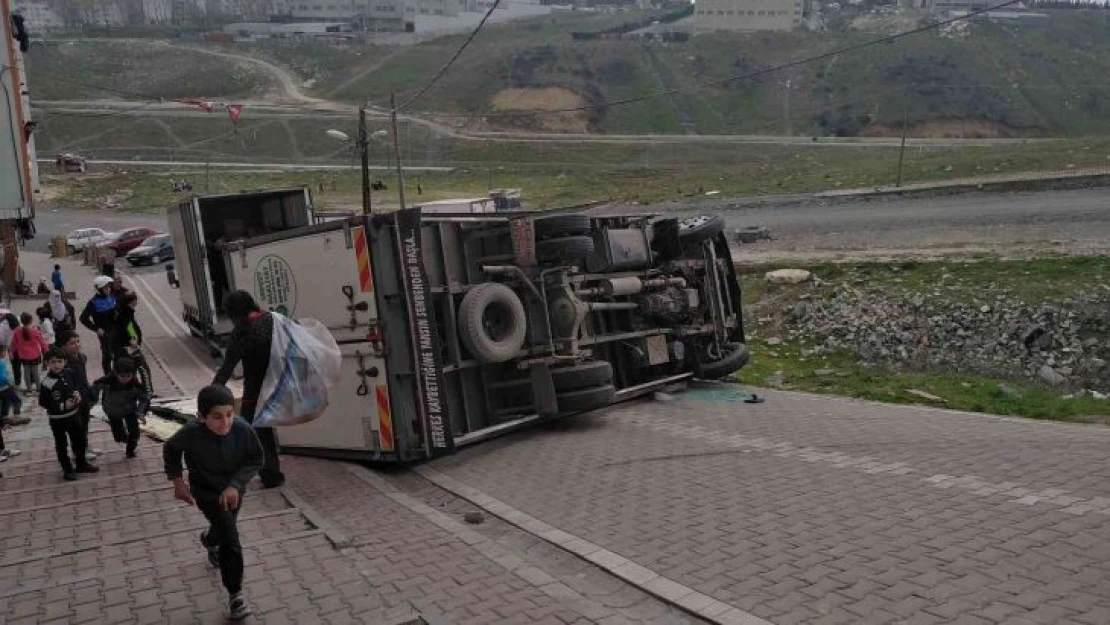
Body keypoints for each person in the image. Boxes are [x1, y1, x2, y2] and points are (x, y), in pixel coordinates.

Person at [163, 384, 261, 621]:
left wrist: (235, 485)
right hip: (206, 492)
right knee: (231, 540)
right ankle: (235, 595)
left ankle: (209, 539)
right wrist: (178, 482)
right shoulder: (190, 433)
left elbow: (255, 458)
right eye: (216, 417)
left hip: (233, 492)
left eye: (229, 414)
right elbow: (171, 449)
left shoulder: (242, 429)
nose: (225, 422)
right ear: (201, 416)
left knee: (224, 529)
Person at [213, 291, 285, 489]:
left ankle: (268, 472)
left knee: (254, 430)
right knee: (263, 429)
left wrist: (211, 394)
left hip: (256, 389)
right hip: (280, 384)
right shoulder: (272, 319)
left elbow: (228, 366)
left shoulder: (242, 331)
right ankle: (271, 472)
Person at [40, 346, 98, 481]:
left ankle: (81, 463)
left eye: (59, 361)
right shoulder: (46, 382)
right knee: (61, 444)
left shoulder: (69, 373)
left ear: (64, 362)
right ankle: (67, 469)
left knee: (80, 440)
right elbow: (43, 402)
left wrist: (76, 395)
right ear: (47, 363)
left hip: (73, 414)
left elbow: (74, 387)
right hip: (57, 419)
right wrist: (63, 405)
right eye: (53, 362)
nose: (56, 365)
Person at [93, 357, 149, 459]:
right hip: (113, 409)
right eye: (122, 376)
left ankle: (130, 450)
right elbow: (95, 386)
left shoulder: (135, 384)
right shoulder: (108, 380)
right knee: (119, 435)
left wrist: (141, 412)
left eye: (129, 376)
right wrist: (93, 397)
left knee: (134, 431)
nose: (126, 379)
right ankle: (122, 438)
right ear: (116, 373)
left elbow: (144, 399)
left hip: (129, 409)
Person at [58, 330, 99, 461]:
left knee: (85, 423)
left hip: (85, 395)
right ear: (64, 346)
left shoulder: (82, 357)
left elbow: (84, 378)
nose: (76, 345)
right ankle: (78, 452)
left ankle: (85, 446)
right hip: (74, 398)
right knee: (77, 426)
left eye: (78, 341)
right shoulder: (64, 362)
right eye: (72, 343)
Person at [112, 290, 152, 396]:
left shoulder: (126, 312)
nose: (136, 302)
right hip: (129, 348)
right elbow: (126, 328)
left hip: (127, 347)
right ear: (130, 302)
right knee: (143, 369)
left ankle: (134, 391)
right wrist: (131, 339)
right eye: (135, 300)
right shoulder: (125, 314)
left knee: (131, 370)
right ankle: (147, 392)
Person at [79, 275, 118, 375]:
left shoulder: (112, 297)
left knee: (118, 354)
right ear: (99, 289)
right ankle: (108, 377)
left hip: (116, 331)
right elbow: (83, 318)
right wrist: (96, 329)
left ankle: (118, 375)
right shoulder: (93, 302)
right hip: (105, 334)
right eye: (105, 288)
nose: (108, 289)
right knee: (108, 356)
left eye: (109, 287)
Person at [11, 312, 48, 395]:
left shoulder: (17, 331)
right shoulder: (35, 330)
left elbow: (14, 343)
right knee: (35, 372)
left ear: (21, 321)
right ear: (31, 320)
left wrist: (12, 352)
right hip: (35, 355)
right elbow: (42, 343)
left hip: (23, 355)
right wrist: (46, 351)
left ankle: (29, 390)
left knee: (26, 372)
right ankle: (39, 389)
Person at [0, 344, 24, 426]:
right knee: (17, 400)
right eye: (4, 351)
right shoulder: (2, 362)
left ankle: (5, 417)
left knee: (5, 402)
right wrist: (10, 384)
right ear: (2, 352)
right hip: (5, 387)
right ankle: (17, 416)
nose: (5, 353)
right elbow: (3, 377)